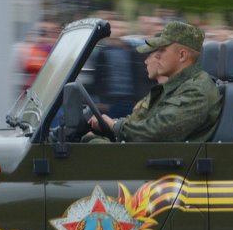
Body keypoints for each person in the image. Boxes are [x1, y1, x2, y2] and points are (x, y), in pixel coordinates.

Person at [88, 21, 221, 143]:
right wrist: (112, 125)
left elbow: (157, 131)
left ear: (182, 55)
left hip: (167, 161)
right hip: (157, 157)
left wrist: (115, 126)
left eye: (162, 50)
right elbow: (147, 121)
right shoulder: (177, 87)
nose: (156, 55)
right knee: (90, 139)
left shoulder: (196, 91)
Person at [90, 16, 149, 118]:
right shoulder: (103, 52)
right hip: (111, 103)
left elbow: (140, 77)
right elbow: (97, 79)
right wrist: (100, 101)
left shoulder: (133, 51)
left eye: (122, 27)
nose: (119, 30)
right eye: (116, 27)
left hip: (132, 102)